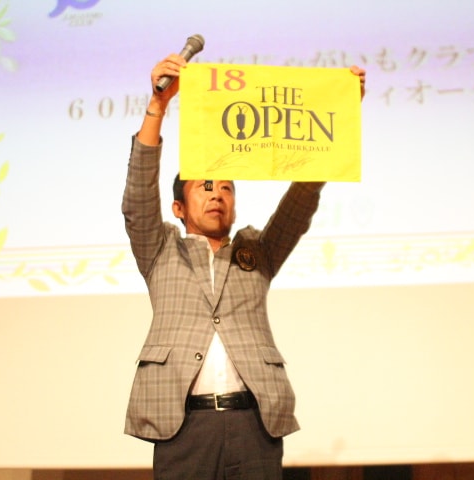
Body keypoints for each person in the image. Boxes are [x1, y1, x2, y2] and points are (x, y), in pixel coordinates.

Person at [122, 53, 366, 480]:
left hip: (254, 424)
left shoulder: (258, 250)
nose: (217, 195)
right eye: (205, 186)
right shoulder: (160, 249)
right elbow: (139, 195)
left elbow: (300, 202)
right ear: (179, 207)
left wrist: (339, 110)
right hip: (183, 427)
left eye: (227, 188)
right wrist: (158, 104)